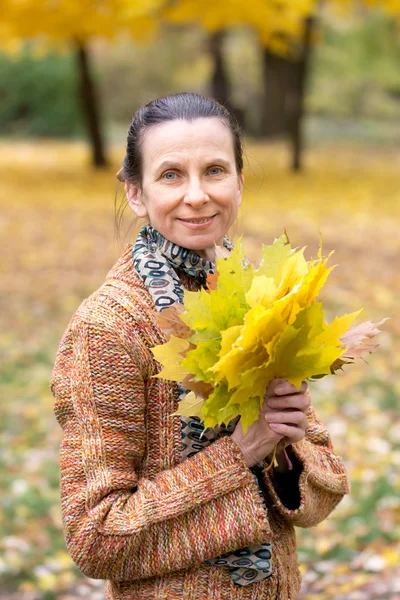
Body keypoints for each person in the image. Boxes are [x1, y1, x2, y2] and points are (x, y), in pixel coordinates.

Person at [51, 92, 350, 600]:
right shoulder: (109, 327)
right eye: (171, 174)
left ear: (238, 180)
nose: (196, 195)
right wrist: (239, 454)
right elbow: (95, 537)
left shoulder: (260, 299)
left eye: (214, 170)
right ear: (135, 193)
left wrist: (286, 447)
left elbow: (320, 494)